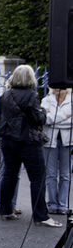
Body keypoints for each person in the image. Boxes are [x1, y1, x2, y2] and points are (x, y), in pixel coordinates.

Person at [0, 65, 62, 227]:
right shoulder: (32, 96)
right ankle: (41, 215)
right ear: (31, 78)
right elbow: (37, 119)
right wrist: (44, 113)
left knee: (9, 176)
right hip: (28, 141)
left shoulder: (4, 96)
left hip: (8, 141)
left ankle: (5, 210)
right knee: (38, 178)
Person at [41, 87, 72, 215]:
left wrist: (53, 119)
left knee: (65, 174)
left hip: (68, 141)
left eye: (62, 87)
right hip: (50, 141)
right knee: (51, 174)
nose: (58, 90)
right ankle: (52, 203)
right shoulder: (46, 100)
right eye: (56, 87)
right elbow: (44, 119)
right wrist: (65, 116)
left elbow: (50, 119)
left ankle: (63, 204)